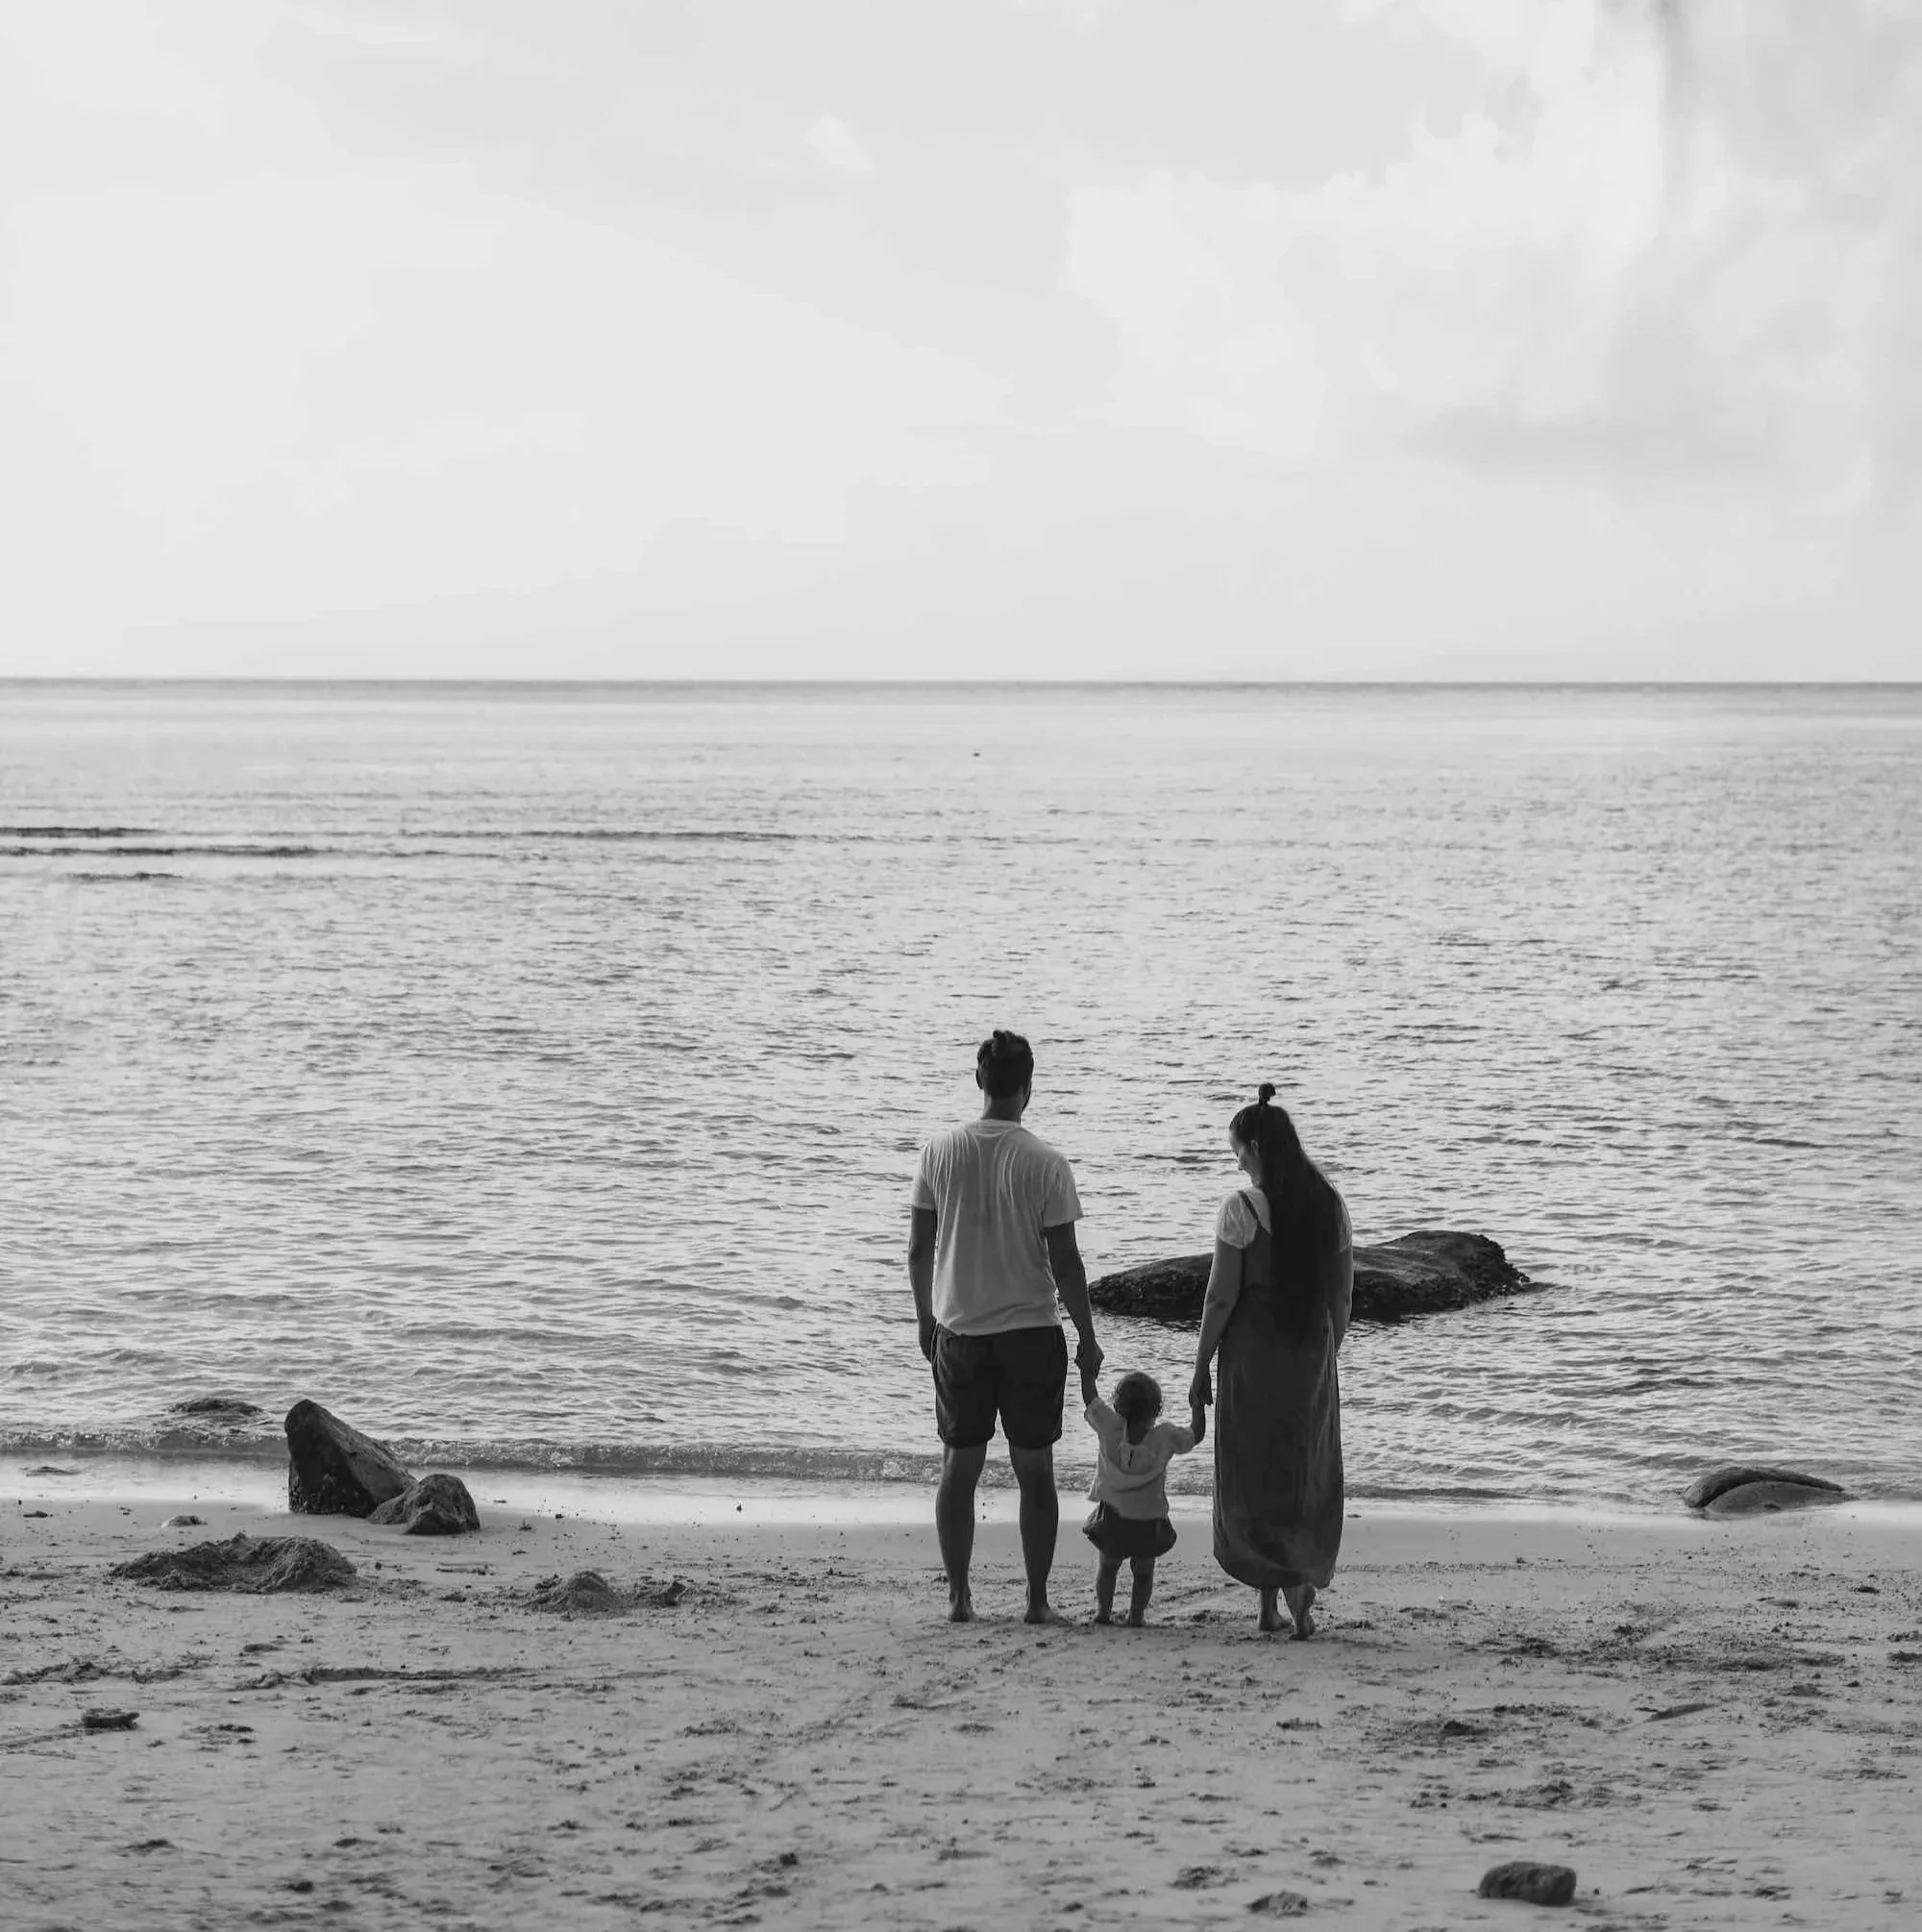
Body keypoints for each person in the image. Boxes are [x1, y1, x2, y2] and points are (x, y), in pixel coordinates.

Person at [908, 1029, 1103, 1624]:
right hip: (1030, 1335)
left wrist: (925, 1319)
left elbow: (920, 1247)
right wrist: (1088, 1337)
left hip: (960, 1331)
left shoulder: (938, 1152)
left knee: (958, 1467)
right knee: (1035, 1468)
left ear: (978, 1081)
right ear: (1028, 1087)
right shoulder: (1045, 1161)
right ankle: (1037, 1601)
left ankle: (960, 1598)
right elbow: (1066, 1261)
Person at [1188, 1083, 1352, 1638]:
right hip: (1309, 1352)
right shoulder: (1330, 1205)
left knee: (1255, 1472)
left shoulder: (1240, 1211)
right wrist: (1328, 1350)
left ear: (1256, 1146)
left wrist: (1200, 1363)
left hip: (1252, 1358)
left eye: (1237, 1149)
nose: (1236, 1161)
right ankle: (1301, 1588)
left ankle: (1266, 1607)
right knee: (1304, 1468)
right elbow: (1342, 1297)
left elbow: (1219, 1297)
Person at [1079, 1367, 1203, 1627]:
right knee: (1144, 1571)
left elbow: (1090, 1399)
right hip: (1149, 1520)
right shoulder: (1165, 1436)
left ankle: (1103, 1611)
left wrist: (1088, 1371)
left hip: (1113, 1516)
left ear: (1118, 1404)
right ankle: (1136, 1615)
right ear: (1156, 1409)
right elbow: (1196, 1435)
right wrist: (1197, 1403)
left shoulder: (1110, 1427)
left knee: (1108, 1566)